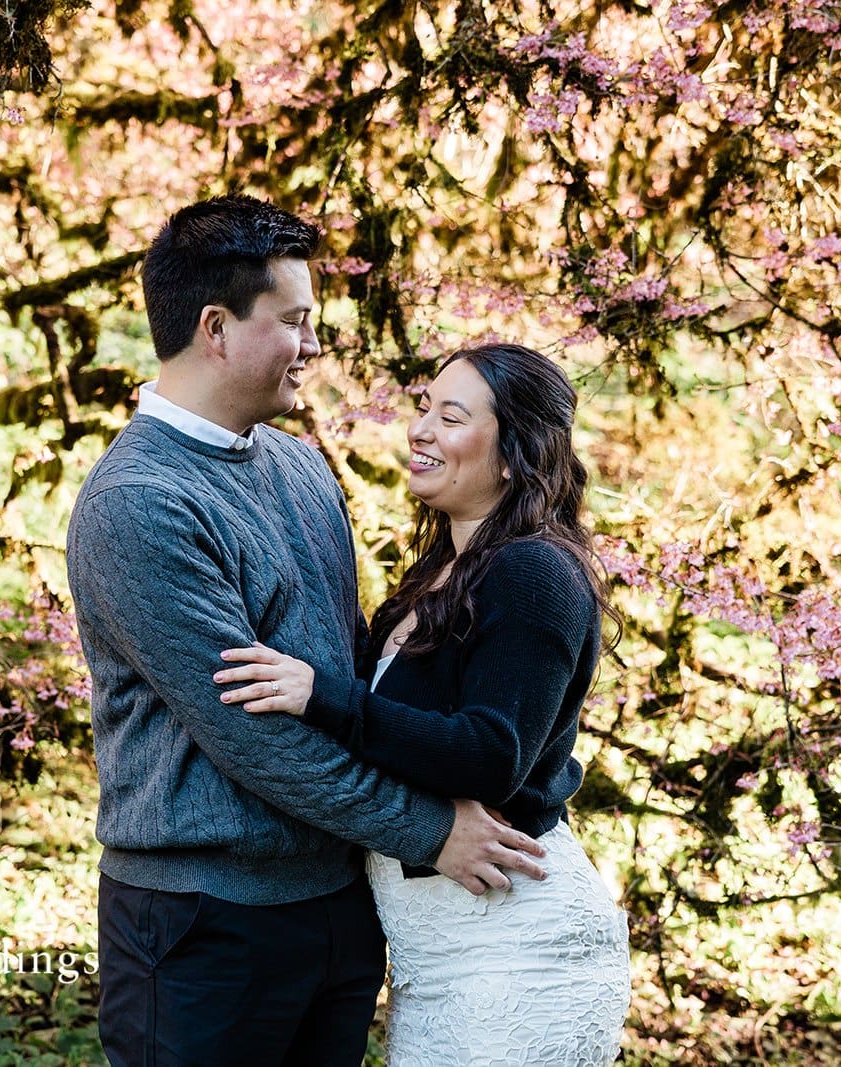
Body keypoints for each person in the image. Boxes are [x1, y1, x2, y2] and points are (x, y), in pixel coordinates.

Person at [65, 196, 550, 1067]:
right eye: (296, 320)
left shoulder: (297, 463)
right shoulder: (141, 504)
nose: (316, 345)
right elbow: (253, 737)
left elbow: (354, 677)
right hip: (203, 924)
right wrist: (430, 829)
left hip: (336, 909)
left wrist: (518, 747)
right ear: (217, 328)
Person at [216, 343, 632, 1065]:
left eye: (452, 415)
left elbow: (487, 755)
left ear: (513, 455)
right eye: (422, 409)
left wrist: (324, 696)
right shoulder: (440, 573)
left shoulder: (534, 570)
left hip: (517, 952)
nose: (420, 429)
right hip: (436, 959)